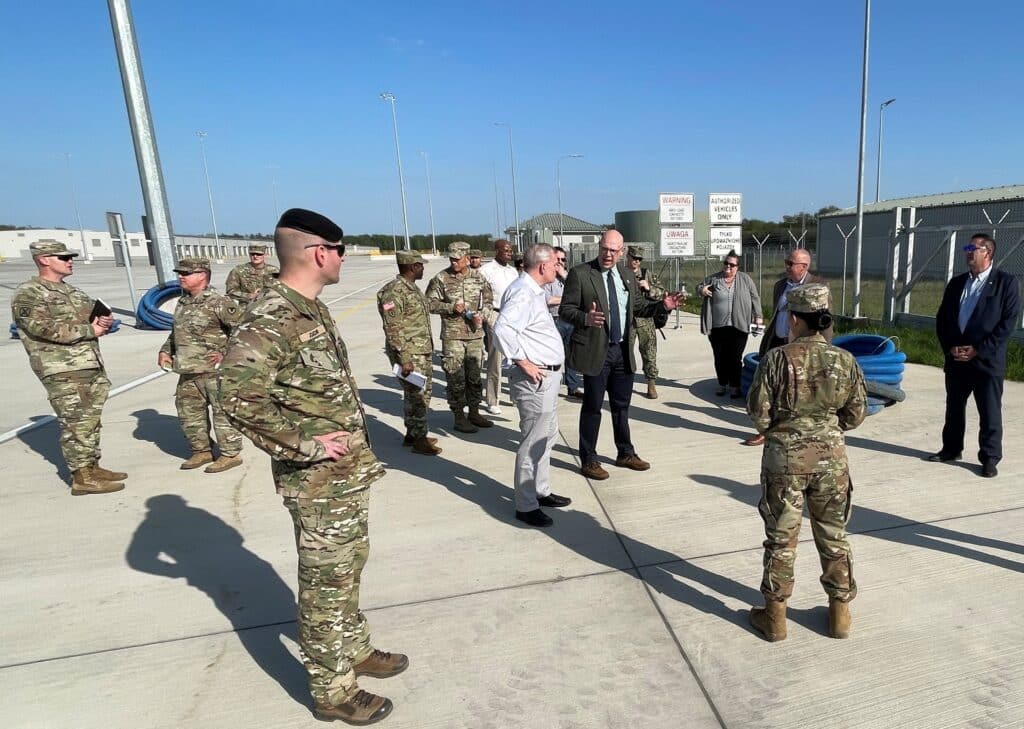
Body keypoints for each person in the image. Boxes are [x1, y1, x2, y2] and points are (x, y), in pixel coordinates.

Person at [220, 209, 406, 725]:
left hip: (345, 478)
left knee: (348, 568)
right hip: (316, 482)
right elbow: (235, 395)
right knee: (325, 584)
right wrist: (305, 445)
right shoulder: (272, 315)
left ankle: (353, 648)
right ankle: (332, 688)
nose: (343, 258)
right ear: (320, 252)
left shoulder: (310, 307)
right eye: (340, 250)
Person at [746, 283, 866, 642]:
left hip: (785, 461)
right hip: (831, 461)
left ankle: (775, 617)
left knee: (781, 539)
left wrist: (785, 430)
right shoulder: (844, 360)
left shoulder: (776, 359)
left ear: (796, 319)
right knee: (833, 535)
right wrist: (825, 428)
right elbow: (856, 413)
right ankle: (840, 615)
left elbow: (759, 414)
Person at [559, 230, 682, 480]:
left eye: (613, 251)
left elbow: (638, 307)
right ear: (599, 247)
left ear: (621, 252)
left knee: (621, 406)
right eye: (604, 249)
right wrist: (585, 318)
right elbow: (565, 309)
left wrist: (662, 306)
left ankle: (625, 452)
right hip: (597, 351)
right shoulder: (581, 274)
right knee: (593, 407)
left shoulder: (626, 275)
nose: (608, 254)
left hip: (622, 351)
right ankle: (589, 458)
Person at [11, 240, 127, 495]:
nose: (70, 261)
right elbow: (40, 327)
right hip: (62, 368)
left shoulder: (72, 292)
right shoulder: (29, 293)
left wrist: (103, 322)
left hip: (89, 363)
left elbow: (90, 317)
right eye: (63, 257)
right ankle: (81, 477)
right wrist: (90, 330)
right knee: (76, 422)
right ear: (44, 259)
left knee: (90, 420)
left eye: (70, 257)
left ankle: (92, 466)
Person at [493, 244, 573, 528]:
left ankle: (540, 490)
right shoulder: (523, 292)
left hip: (548, 377)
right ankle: (526, 505)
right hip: (534, 379)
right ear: (542, 266)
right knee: (532, 441)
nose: (558, 268)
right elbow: (502, 329)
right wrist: (522, 361)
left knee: (547, 436)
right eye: (555, 264)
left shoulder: (534, 291)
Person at [931, 233, 1020, 478]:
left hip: (986, 361)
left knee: (989, 411)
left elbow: (1007, 324)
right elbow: (942, 319)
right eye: (967, 248)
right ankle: (951, 449)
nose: (968, 252)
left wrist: (979, 349)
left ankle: (990, 458)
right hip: (957, 358)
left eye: (973, 248)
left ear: (987, 252)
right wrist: (950, 347)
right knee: (954, 408)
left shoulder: (1005, 283)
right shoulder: (957, 283)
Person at [158, 257, 245, 473]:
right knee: (189, 413)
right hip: (187, 369)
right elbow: (177, 333)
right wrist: (165, 351)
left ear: (202, 275)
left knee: (222, 414)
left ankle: (230, 454)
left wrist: (226, 354)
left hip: (214, 372)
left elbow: (244, 331)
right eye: (180, 273)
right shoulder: (183, 302)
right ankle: (201, 450)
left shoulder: (219, 302)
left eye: (186, 273)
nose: (181, 277)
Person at [743, 248, 831, 446]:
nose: (787, 267)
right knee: (771, 388)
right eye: (786, 262)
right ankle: (765, 430)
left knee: (800, 390)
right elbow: (777, 314)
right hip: (778, 342)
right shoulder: (781, 285)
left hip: (803, 346)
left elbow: (826, 320)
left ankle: (800, 430)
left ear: (804, 266)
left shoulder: (819, 286)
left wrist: (825, 349)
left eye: (791, 264)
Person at [376, 249, 441, 455]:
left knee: (419, 393)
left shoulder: (411, 288)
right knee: (418, 396)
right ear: (413, 267)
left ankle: (413, 434)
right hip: (410, 353)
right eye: (421, 265)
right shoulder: (394, 292)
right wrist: (404, 358)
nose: (423, 269)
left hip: (419, 350)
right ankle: (419, 439)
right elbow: (392, 328)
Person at [425, 242, 495, 433]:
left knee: (474, 376)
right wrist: (450, 307)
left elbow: (489, 301)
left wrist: (482, 315)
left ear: (467, 258)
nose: (454, 262)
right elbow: (429, 303)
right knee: (455, 377)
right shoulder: (441, 278)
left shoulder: (479, 278)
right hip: (453, 336)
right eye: (451, 259)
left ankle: (474, 412)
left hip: (475, 334)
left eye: (457, 259)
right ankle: (458, 416)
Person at [697, 250, 764, 399]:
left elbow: (755, 297)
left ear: (737, 267)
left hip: (739, 325)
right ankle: (722, 383)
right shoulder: (714, 279)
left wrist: (758, 316)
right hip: (717, 326)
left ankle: (735, 386)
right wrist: (702, 290)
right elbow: (699, 288)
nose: (728, 266)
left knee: (735, 357)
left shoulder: (745, 280)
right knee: (720, 356)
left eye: (732, 265)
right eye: (726, 263)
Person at [479, 238, 519, 415]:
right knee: (495, 359)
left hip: (512, 315)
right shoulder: (486, 271)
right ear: (497, 251)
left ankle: (515, 395)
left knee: (515, 357)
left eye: (511, 250)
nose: (510, 253)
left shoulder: (513, 271)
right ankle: (493, 399)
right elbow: (480, 297)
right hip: (495, 314)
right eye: (506, 250)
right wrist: (487, 317)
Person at [625, 245, 667, 400]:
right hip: (627, 320)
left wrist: (649, 288)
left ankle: (651, 383)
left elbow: (662, 292)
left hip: (646, 319)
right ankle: (624, 383)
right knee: (625, 353)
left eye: (639, 259)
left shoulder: (647, 274)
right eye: (634, 258)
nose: (636, 261)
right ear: (627, 257)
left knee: (649, 353)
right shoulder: (621, 273)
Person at [542, 246, 584, 398]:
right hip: (555, 319)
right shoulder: (548, 277)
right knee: (553, 354)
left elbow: (580, 294)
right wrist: (568, 300)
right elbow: (548, 300)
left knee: (571, 354)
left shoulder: (571, 277)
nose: (560, 262)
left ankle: (572, 386)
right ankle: (550, 385)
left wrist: (565, 276)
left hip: (570, 319)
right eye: (557, 259)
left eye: (563, 259)